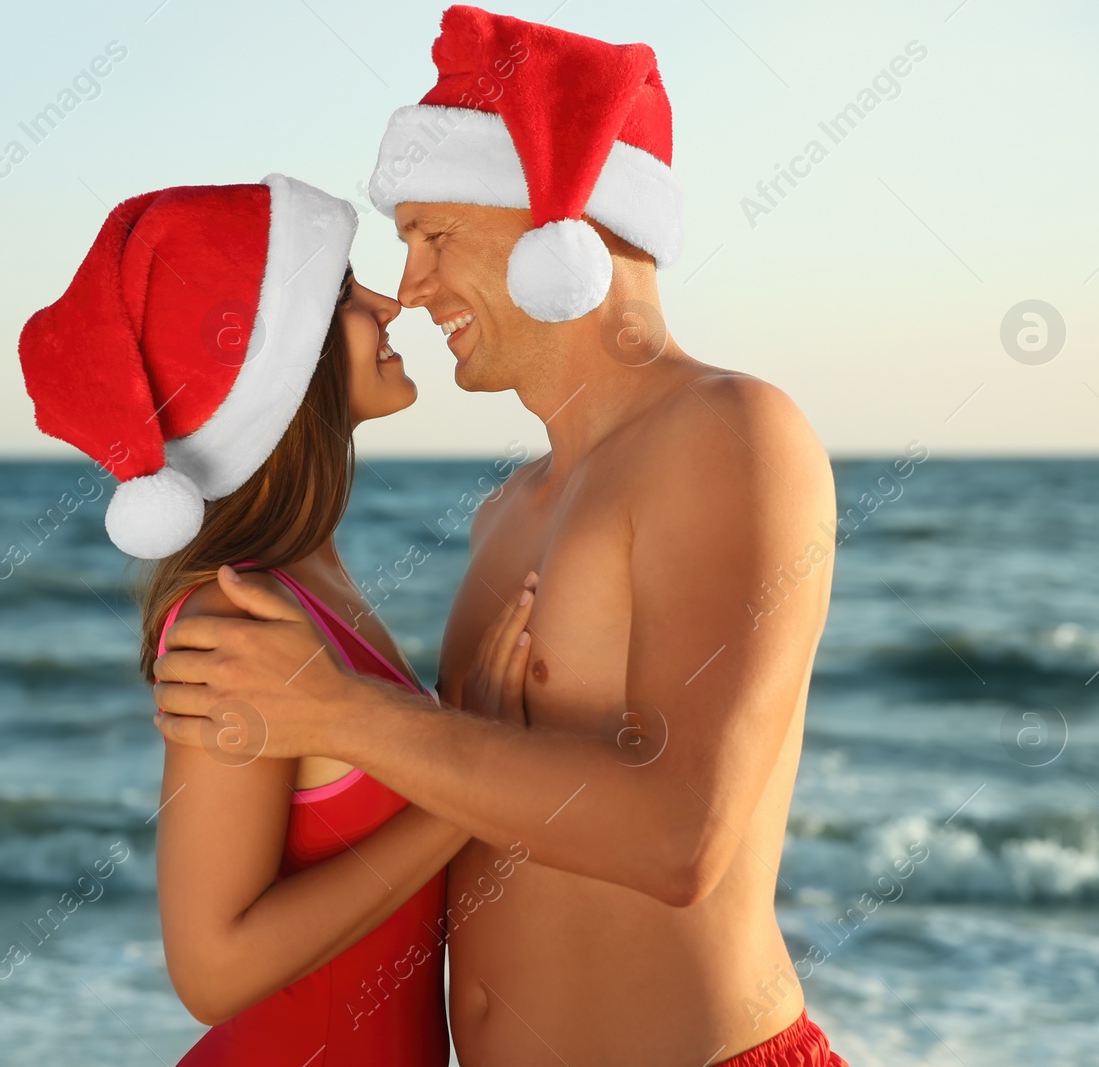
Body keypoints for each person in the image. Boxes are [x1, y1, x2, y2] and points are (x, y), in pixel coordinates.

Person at [152, 9, 849, 1066]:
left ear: (556, 223)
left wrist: (341, 711)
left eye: (435, 234)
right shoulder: (507, 509)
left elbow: (677, 836)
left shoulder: (728, 433)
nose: (414, 286)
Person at [17, 175, 531, 1065]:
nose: (389, 301)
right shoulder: (237, 614)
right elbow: (211, 970)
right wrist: (467, 787)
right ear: (273, 362)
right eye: (343, 295)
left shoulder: (313, 582)